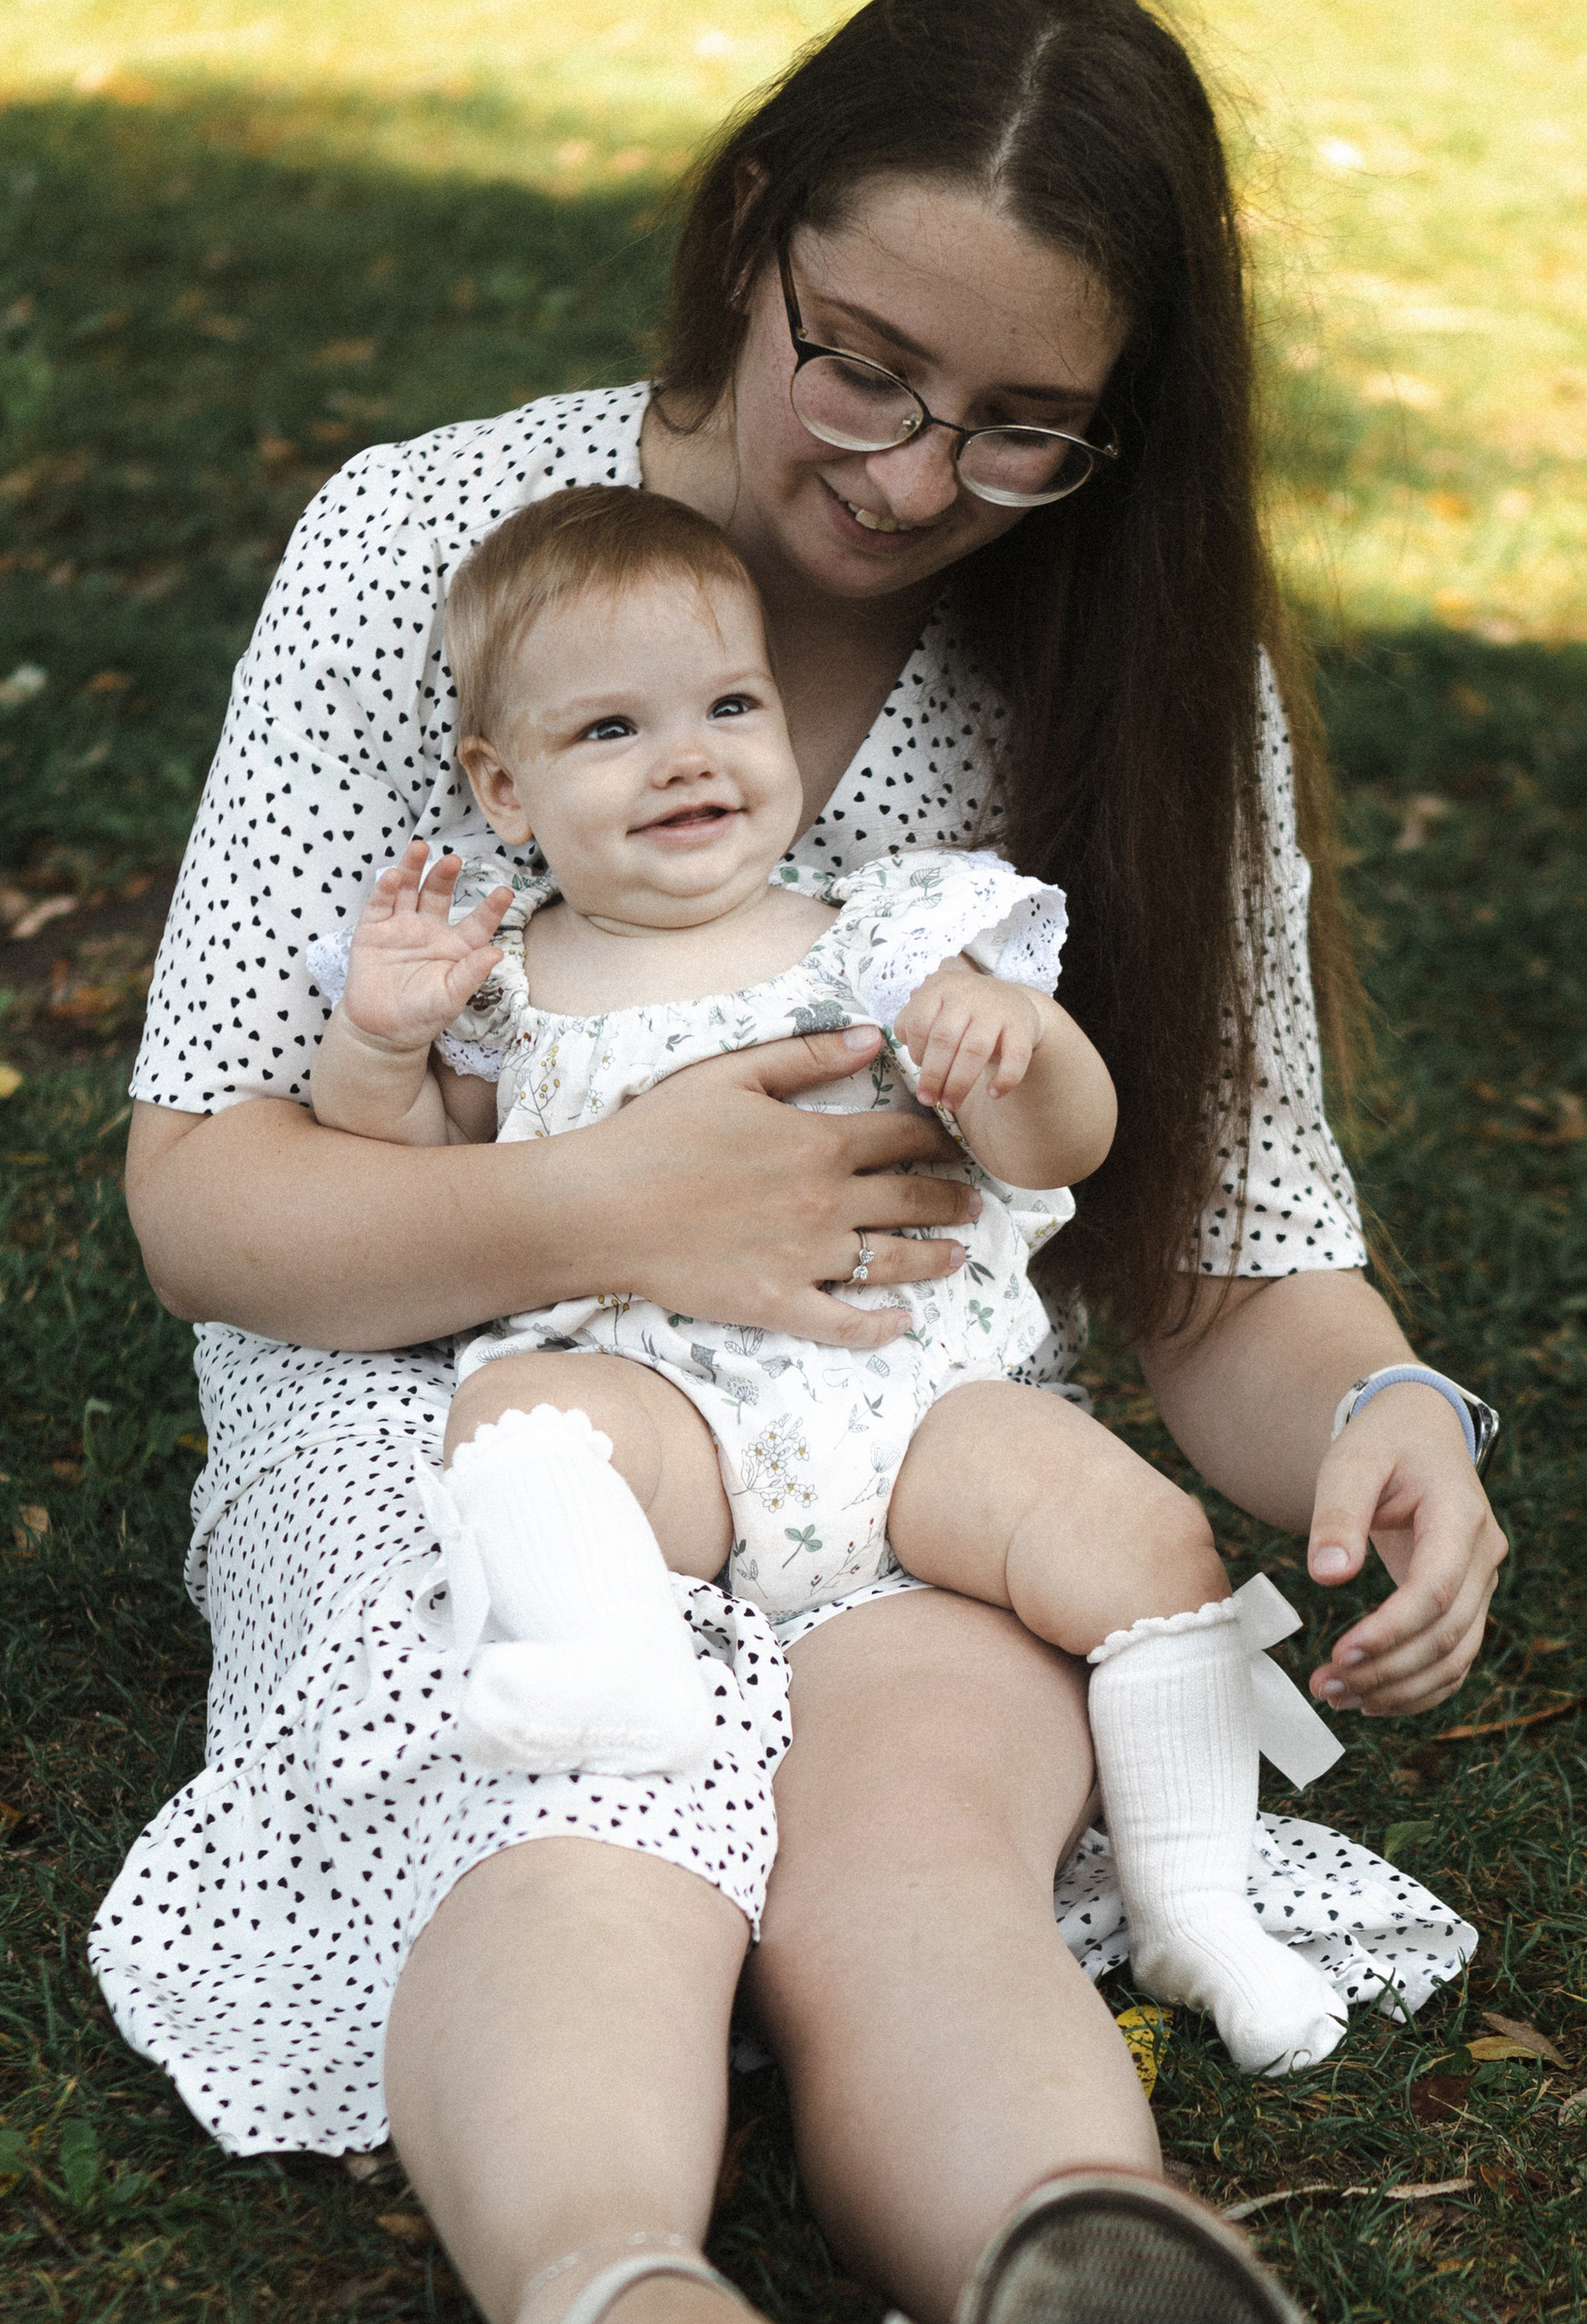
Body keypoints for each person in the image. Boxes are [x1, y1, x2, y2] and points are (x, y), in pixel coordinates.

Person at [97, 0, 1503, 2324]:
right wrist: (628, 1198)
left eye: (1019, 426)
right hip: (469, 1421)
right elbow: (206, 1196)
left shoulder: (1114, 654)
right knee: (587, 1800)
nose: (903, 472)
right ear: (749, 232)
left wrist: (1374, 1415)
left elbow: (1216, 1243)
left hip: (893, 1447)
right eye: (858, 360)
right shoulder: (441, 551)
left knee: (919, 1847)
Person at [308, 483, 1360, 2083]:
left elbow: (1064, 1148)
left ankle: (1196, 1905)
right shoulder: (504, 985)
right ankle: (617, 1674)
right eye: (612, 729)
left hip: (916, 1399)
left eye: (730, 705)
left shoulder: (891, 932)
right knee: (522, 1414)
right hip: (678, 1424)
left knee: (1144, 1536)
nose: (687, 756)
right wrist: (381, 1041)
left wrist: (1023, 1051)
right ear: (501, 789)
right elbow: (409, 1174)